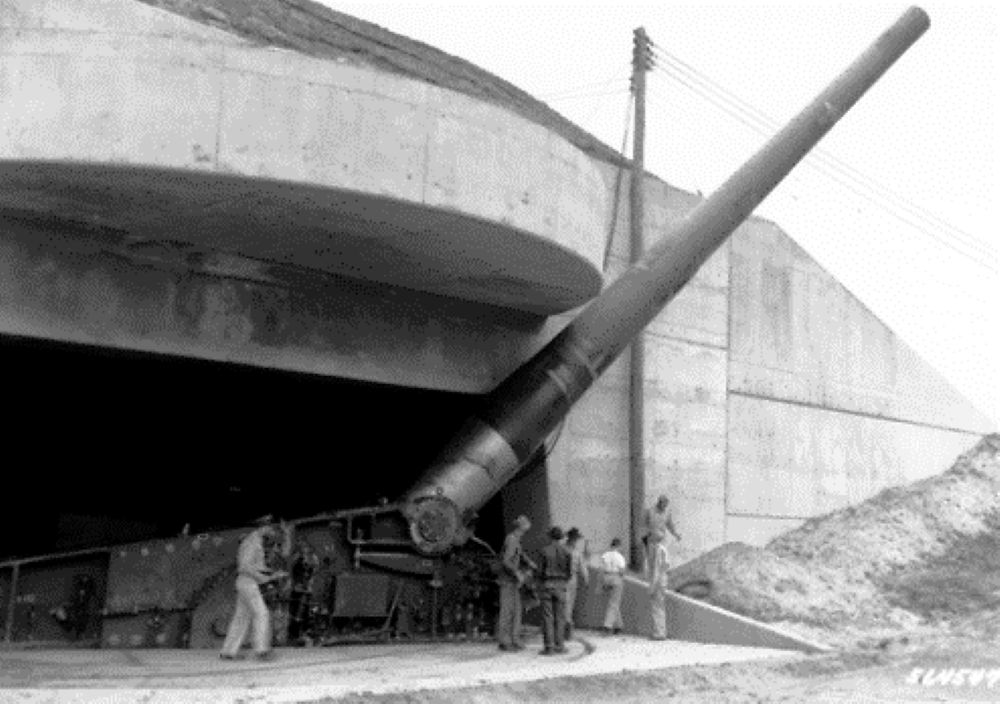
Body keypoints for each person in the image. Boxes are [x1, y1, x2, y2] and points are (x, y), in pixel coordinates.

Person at [220, 515, 289, 661]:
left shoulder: (255, 540)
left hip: (247, 581)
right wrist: (264, 578)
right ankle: (261, 651)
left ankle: (228, 652)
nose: (272, 532)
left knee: (241, 618)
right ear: (264, 527)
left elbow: (255, 566)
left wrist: (272, 574)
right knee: (261, 613)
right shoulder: (251, 542)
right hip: (248, 582)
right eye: (271, 528)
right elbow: (244, 567)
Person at [496, 514, 535, 652]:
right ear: (522, 527)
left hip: (513, 582)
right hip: (507, 581)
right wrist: (517, 572)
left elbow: (520, 554)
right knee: (507, 611)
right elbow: (506, 561)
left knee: (516, 611)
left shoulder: (516, 539)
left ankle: (514, 639)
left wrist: (529, 562)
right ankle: (505, 641)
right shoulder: (512, 539)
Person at [536, 526, 572, 655]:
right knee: (560, 617)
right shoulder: (567, 551)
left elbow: (540, 571)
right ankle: (560, 645)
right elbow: (569, 572)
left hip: (547, 585)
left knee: (547, 617)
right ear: (561, 537)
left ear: (550, 537)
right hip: (561, 586)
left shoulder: (544, 551)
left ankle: (549, 647)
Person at [643, 494, 681, 576]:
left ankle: (663, 575)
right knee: (652, 559)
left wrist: (676, 534)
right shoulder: (650, 511)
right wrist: (646, 534)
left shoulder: (667, 513)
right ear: (659, 503)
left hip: (662, 539)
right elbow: (644, 524)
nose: (665, 507)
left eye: (666, 505)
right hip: (651, 539)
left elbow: (670, 525)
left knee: (663, 557)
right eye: (663, 505)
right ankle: (651, 576)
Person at [563, 527, 589, 640]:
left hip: (566, 578)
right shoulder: (575, 552)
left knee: (567, 603)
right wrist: (586, 578)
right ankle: (567, 626)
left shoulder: (563, 549)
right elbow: (582, 567)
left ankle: (566, 626)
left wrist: (585, 577)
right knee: (568, 603)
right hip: (569, 578)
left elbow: (582, 566)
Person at [599, 537, 627, 635]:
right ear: (618, 546)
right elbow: (622, 571)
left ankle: (619, 625)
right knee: (614, 603)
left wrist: (601, 582)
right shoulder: (620, 557)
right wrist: (622, 578)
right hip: (616, 578)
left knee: (613, 603)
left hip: (606, 577)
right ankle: (607, 625)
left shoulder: (605, 555)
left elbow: (601, 569)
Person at [649, 537, 670, 640]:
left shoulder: (658, 550)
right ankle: (662, 632)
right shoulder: (664, 550)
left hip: (658, 582)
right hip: (663, 581)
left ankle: (658, 633)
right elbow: (667, 565)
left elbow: (657, 569)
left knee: (656, 608)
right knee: (660, 607)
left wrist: (652, 586)